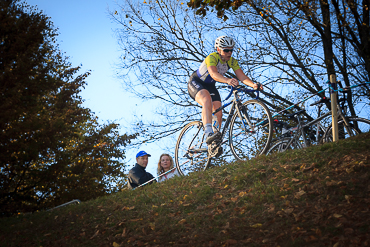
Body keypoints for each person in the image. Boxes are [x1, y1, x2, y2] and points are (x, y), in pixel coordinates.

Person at [187, 35, 263, 145]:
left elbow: (242, 77)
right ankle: (208, 132)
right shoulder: (212, 57)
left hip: (211, 86)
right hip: (197, 82)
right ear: (218, 49)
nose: (229, 53)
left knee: (218, 110)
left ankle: (214, 140)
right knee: (206, 99)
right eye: (226, 50)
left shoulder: (232, 61)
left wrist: (253, 85)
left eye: (231, 50)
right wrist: (227, 80)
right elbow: (213, 74)